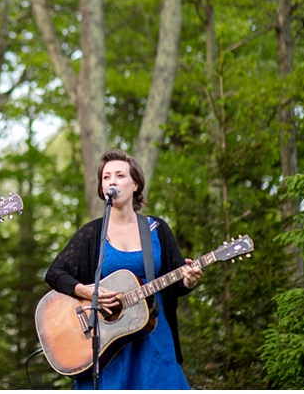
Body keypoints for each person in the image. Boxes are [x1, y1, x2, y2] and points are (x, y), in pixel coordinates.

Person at [44, 149, 202, 390]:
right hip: (108, 342)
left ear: (136, 185)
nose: (112, 181)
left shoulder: (156, 229)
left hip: (153, 337)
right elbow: (54, 273)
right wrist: (87, 293)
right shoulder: (92, 233)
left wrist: (189, 280)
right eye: (106, 177)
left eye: (119, 175)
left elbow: (178, 282)